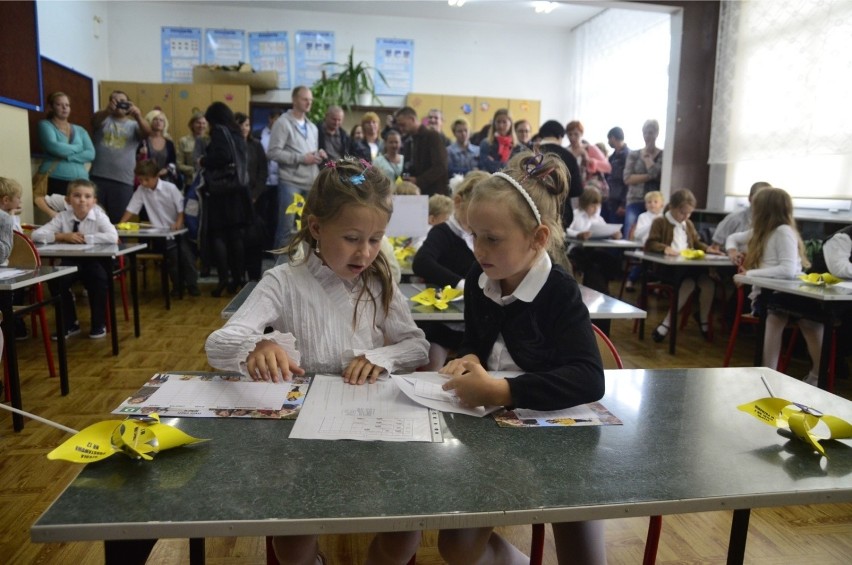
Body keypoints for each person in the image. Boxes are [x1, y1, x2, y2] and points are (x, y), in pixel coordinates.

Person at [205, 157, 429, 565]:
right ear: (315, 227)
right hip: (301, 437)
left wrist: (380, 356)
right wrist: (255, 346)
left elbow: (417, 346)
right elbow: (219, 343)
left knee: (405, 530)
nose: (365, 252)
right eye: (351, 238)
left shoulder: (380, 283)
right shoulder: (284, 281)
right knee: (292, 544)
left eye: (376, 239)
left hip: (375, 428)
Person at [436, 152, 605, 565]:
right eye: (474, 235)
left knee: (582, 555)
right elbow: (475, 341)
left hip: (563, 440)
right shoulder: (480, 282)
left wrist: (501, 388)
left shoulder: (561, 291)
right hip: (493, 437)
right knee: (455, 548)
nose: (478, 249)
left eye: (492, 239)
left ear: (538, 238)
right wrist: (468, 359)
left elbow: (588, 378)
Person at [725, 187, 824, 386]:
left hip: (788, 293)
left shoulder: (783, 232)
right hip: (771, 294)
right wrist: (733, 251)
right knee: (775, 315)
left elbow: (787, 270)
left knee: (807, 322)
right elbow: (733, 238)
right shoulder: (763, 231)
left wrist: (749, 274)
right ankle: (769, 372)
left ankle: (813, 373)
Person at [412, 171, 487, 369]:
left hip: (476, 322)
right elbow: (421, 262)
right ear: (458, 202)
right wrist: (460, 283)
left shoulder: (483, 235)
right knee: (431, 369)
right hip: (442, 321)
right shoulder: (443, 232)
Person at [32, 179, 118, 339]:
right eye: (77, 196)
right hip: (70, 261)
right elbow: (36, 234)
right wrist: (62, 236)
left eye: (87, 196)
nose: (82, 200)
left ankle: (99, 323)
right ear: (68, 200)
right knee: (56, 280)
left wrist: (86, 238)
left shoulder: (99, 215)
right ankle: (70, 323)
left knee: (99, 279)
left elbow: (112, 236)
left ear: (94, 201)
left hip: (95, 261)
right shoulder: (63, 217)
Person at [645, 188, 720, 343]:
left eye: (689, 213)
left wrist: (707, 249)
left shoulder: (688, 224)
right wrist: (665, 248)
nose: (685, 216)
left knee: (708, 284)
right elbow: (651, 243)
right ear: (672, 207)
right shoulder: (660, 222)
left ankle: (704, 319)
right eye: (682, 212)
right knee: (688, 284)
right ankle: (667, 323)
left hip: (688, 266)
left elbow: (696, 242)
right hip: (668, 269)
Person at [120, 160, 200, 296]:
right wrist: (120, 224)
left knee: (186, 256)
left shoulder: (170, 188)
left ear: (156, 176)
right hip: (161, 234)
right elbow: (132, 208)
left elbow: (181, 209)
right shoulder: (141, 190)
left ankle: (192, 285)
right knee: (173, 257)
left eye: (147, 179)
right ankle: (177, 286)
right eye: (140, 180)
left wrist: (178, 223)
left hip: (179, 232)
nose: (143, 183)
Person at [201, 101, 253, 297]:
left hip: (222, 192)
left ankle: (223, 279)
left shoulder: (219, 132)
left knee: (218, 236)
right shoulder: (237, 133)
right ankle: (239, 279)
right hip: (239, 191)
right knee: (236, 237)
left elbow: (222, 156)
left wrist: (203, 160)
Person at [267, 86, 325, 249]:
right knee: (286, 228)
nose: (309, 102)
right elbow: (272, 153)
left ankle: (303, 268)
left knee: (309, 228)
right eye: (305, 99)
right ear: (294, 100)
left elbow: (307, 153)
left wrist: (317, 154)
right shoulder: (282, 123)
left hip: (310, 181)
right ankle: (278, 271)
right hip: (290, 182)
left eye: (311, 100)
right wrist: (301, 158)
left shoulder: (312, 127)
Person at [90, 90, 152, 223]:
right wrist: (107, 110)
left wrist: (138, 116)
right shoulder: (103, 119)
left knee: (119, 222)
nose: (120, 104)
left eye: (123, 101)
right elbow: (94, 121)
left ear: (129, 104)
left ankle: (119, 244)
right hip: (98, 178)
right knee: (93, 220)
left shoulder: (134, 125)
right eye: (116, 101)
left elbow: (147, 132)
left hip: (123, 181)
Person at [35, 92, 95, 204]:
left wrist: (68, 157)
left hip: (81, 181)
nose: (64, 108)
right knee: (59, 217)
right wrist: (78, 147)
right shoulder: (45, 125)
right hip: (56, 179)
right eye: (59, 104)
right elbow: (54, 147)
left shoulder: (80, 130)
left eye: (67, 105)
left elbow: (91, 154)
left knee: (80, 215)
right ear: (51, 107)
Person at [565, 186, 622, 294]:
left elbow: (605, 230)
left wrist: (614, 234)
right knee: (592, 265)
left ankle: (603, 289)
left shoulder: (599, 219)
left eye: (598, 205)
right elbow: (566, 230)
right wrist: (578, 234)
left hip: (594, 250)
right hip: (577, 250)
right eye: (592, 205)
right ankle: (596, 291)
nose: (595, 208)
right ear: (584, 204)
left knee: (610, 261)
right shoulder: (576, 215)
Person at [536, 120, 583, 229]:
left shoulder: (530, 153)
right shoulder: (569, 156)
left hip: (533, 210)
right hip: (560, 213)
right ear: (560, 136)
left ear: (542, 135)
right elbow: (577, 190)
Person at [623, 119, 663, 243]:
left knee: (653, 232)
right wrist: (650, 175)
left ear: (657, 133)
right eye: (645, 133)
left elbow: (660, 175)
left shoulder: (663, 155)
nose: (647, 136)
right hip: (635, 199)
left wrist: (647, 159)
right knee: (630, 232)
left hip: (654, 201)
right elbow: (627, 178)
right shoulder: (634, 154)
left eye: (650, 133)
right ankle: (628, 260)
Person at [394, 106, 449, 196]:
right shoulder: (408, 141)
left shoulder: (432, 136)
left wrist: (418, 180)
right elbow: (407, 168)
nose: (401, 128)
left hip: (434, 195)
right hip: (415, 194)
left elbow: (441, 166)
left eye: (403, 125)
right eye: (399, 125)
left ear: (412, 119)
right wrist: (400, 182)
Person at [709, 181, 772, 253]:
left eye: (767, 199)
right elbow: (715, 247)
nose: (763, 202)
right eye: (760, 197)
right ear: (750, 198)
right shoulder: (734, 218)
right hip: (732, 260)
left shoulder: (772, 222)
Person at [624, 190, 665, 291]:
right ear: (645, 205)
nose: (652, 204)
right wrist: (652, 225)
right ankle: (631, 280)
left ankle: (658, 284)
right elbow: (637, 234)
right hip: (644, 247)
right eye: (649, 202)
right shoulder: (643, 217)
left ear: (662, 204)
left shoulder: (663, 218)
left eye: (655, 202)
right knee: (642, 262)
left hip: (658, 247)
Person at [566, 120, 612, 199]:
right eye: (570, 134)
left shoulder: (590, 148)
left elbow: (607, 167)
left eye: (576, 134)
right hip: (571, 189)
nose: (572, 137)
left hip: (589, 192)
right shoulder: (566, 151)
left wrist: (589, 159)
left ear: (581, 134)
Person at [137, 109, 181, 189]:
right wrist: (140, 155)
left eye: (161, 120)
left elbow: (173, 162)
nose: (158, 122)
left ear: (164, 124)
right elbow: (137, 161)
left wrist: (165, 170)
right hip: (146, 180)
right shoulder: (143, 142)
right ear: (149, 121)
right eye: (155, 119)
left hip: (165, 181)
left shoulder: (169, 143)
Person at [478, 108, 517, 173]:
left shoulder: (517, 146)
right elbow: (483, 166)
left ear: (511, 124)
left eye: (504, 122)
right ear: (494, 123)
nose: (501, 125)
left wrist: (493, 163)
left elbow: (516, 169)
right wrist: (506, 165)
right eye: (498, 122)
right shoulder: (486, 143)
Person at [603, 126, 629, 223]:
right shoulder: (612, 157)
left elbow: (627, 181)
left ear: (613, 138)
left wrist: (623, 204)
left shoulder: (627, 156)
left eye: (609, 139)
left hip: (619, 202)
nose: (608, 142)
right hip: (610, 201)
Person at [177, 112, 209, 186]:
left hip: (209, 182)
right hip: (191, 182)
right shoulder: (184, 141)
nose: (201, 126)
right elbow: (179, 165)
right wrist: (194, 170)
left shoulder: (210, 140)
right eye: (198, 123)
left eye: (204, 123)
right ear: (192, 124)